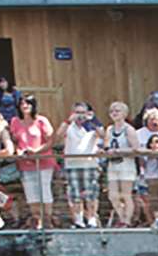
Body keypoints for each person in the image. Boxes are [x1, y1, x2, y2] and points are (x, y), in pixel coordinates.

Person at [9, 95, 56, 229]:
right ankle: (37, 219)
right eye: (22, 104)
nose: (25, 106)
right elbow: (15, 141)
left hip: (43, 161)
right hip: (25, 163)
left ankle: (47, 219)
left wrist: (36, 151)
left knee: (44, 190)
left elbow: (51, 140)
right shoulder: (15, 121)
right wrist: (19, 152)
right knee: (31, 193)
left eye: (28, 103)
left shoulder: (41, 120)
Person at [57, 101, 103, 229]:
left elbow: (104, 135)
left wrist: (93, 119)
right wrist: (67, 121)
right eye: (77, 112)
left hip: (90, 163)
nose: (80, 116)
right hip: (72, 164)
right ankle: (78, 220)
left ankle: (92, 219)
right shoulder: (69, 126)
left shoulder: (92, 125)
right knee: (75, 194)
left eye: (83, 113)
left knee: (91, 194)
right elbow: (58, 136)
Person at [100, 101, 139, 228]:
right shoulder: (109, 129)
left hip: (126, 165)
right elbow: (106, 146)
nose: (114, 113)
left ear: (124, 113)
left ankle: (127, 221)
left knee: (126, 195)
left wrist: (118, 151)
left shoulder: (129, 129)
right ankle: (122, 217)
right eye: (112, 111)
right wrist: (104, 151)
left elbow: (135, 149)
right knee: (113, 195)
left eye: (117, 111)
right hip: (113, 165)